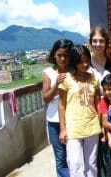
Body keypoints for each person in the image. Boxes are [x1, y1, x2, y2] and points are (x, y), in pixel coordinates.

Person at [58, 44, 101, 177]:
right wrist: (63, 129)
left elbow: (97, 102)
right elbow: (61, 105)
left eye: (87, 61)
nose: (85, 64)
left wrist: (100, 123)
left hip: (92, 126)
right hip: (73, 127)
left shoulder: (94, 78)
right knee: (75, 163)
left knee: (91, 164)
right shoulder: (66, 79)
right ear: (74, 62)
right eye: (81, 62)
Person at [42, 39, 73, 177]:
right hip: (54, 122)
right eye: (59, 55)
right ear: (54, 55)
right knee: (61, 158)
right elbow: (46, 98)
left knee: (75, 156)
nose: (62, 58)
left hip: (73, 120)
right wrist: (56, 84)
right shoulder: (48, 73)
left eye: (66, 55)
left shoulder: (75, 70)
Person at [88, 25, 111, 94]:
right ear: (90, 42)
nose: (98, 44)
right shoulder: (86, 61)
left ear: (106, 43)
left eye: (101, 41)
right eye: (94, 41)